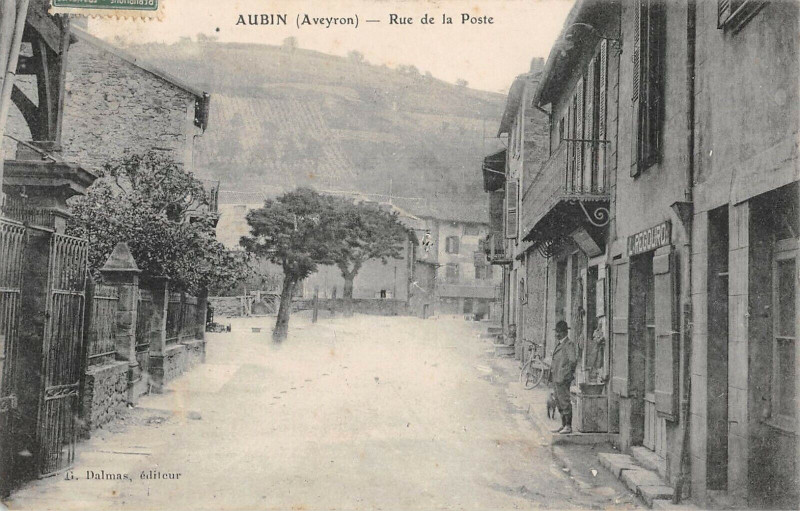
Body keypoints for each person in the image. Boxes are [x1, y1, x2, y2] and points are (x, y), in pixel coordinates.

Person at [550, 320, 578, 434]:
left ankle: (568, 426)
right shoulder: (560, 344)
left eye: (559, 332)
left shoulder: (569, 344)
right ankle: (563, 424)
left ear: (564, 332)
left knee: (565, 401)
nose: (556, 334)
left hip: (562, 378)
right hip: (556, 377)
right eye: (556, 332)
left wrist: (565, 375)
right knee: (559, 401)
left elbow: (573, 361)